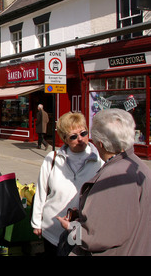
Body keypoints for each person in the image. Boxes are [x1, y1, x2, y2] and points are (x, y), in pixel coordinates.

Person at [57, 109, 151, 256]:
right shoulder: (136, 165)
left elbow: (95, 237)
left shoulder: (115, 175)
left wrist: (71, 227)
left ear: (100, 144)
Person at [31, 112, 103, 256]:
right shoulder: (52, 159)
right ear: (64, 139)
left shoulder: (99, 160)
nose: (81, 139)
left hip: (83, 230)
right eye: (73, 136)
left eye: (83, 133)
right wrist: (37, 223)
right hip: (52, 229)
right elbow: (41, 192)